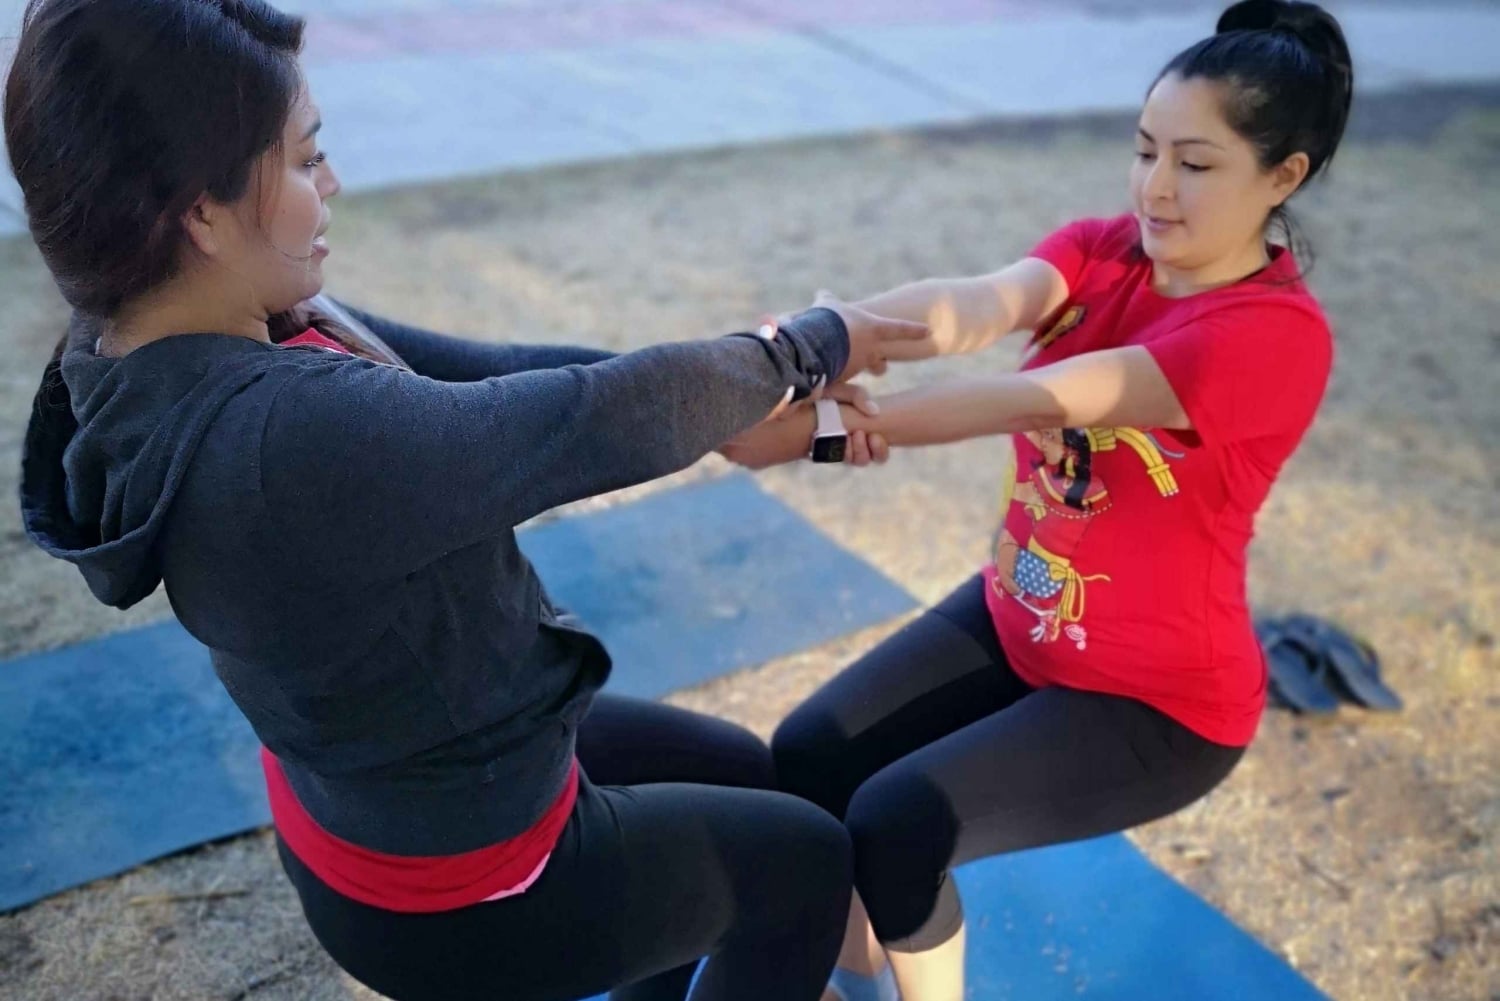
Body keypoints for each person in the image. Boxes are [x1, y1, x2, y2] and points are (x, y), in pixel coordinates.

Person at [5, 1, 929, 999]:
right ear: (201, 211)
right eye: (308, 159)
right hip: (457, 889)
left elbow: (501, 387)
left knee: (744, 774)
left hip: (398, 790)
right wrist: (801, 348)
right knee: (801, 863)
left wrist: (750, 410)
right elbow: (582, 424)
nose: (335, 185)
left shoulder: (145, 325)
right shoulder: (282, 440)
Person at [721, 2, 1354, 998]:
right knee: (807, 760)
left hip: (1158, 698)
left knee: (898, 825)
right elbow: (974, 304)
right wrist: (807, 346)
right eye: (1145, 150)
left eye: (1195, 163)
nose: (1156, 187)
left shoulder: (1271, 337)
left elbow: (1045, 395)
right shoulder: (1103, 251)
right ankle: (857, 979)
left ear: (1284, 176)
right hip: (1024, 610)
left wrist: (819, 431)